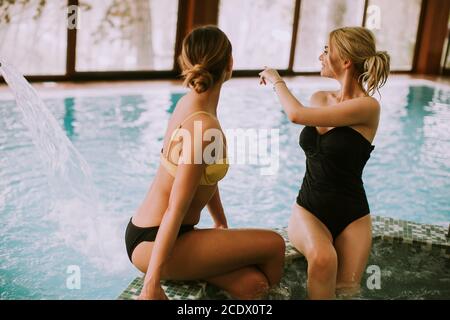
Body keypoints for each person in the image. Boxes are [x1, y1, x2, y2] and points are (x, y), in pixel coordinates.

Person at [125, 25, 285, 300]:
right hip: (156, 240)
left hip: (153, 234)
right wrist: (151, 284)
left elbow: (204, 176)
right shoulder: (205, 128)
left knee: (253, 285)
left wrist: (221, 224)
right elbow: (176, 207)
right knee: (275, 244)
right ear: (230, 63)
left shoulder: (189, 105)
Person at [259, 26, 390, 299]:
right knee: (322, 258)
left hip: (353, 216)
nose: (320, 56)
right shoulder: (320, 98)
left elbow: (295, 115)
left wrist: (275, 79)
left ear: (345, 61)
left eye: (327, 50)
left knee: (347, 292)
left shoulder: (368, 107)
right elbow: (306, 115)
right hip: (310, 208)